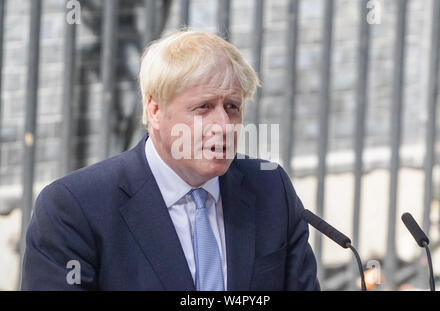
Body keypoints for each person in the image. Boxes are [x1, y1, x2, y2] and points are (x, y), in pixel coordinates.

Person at [21, 29, 320, 290]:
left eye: (232, 107)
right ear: (155, 111)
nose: (224, 125)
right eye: (203, 107)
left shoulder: (270, 188)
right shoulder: (75, 208)